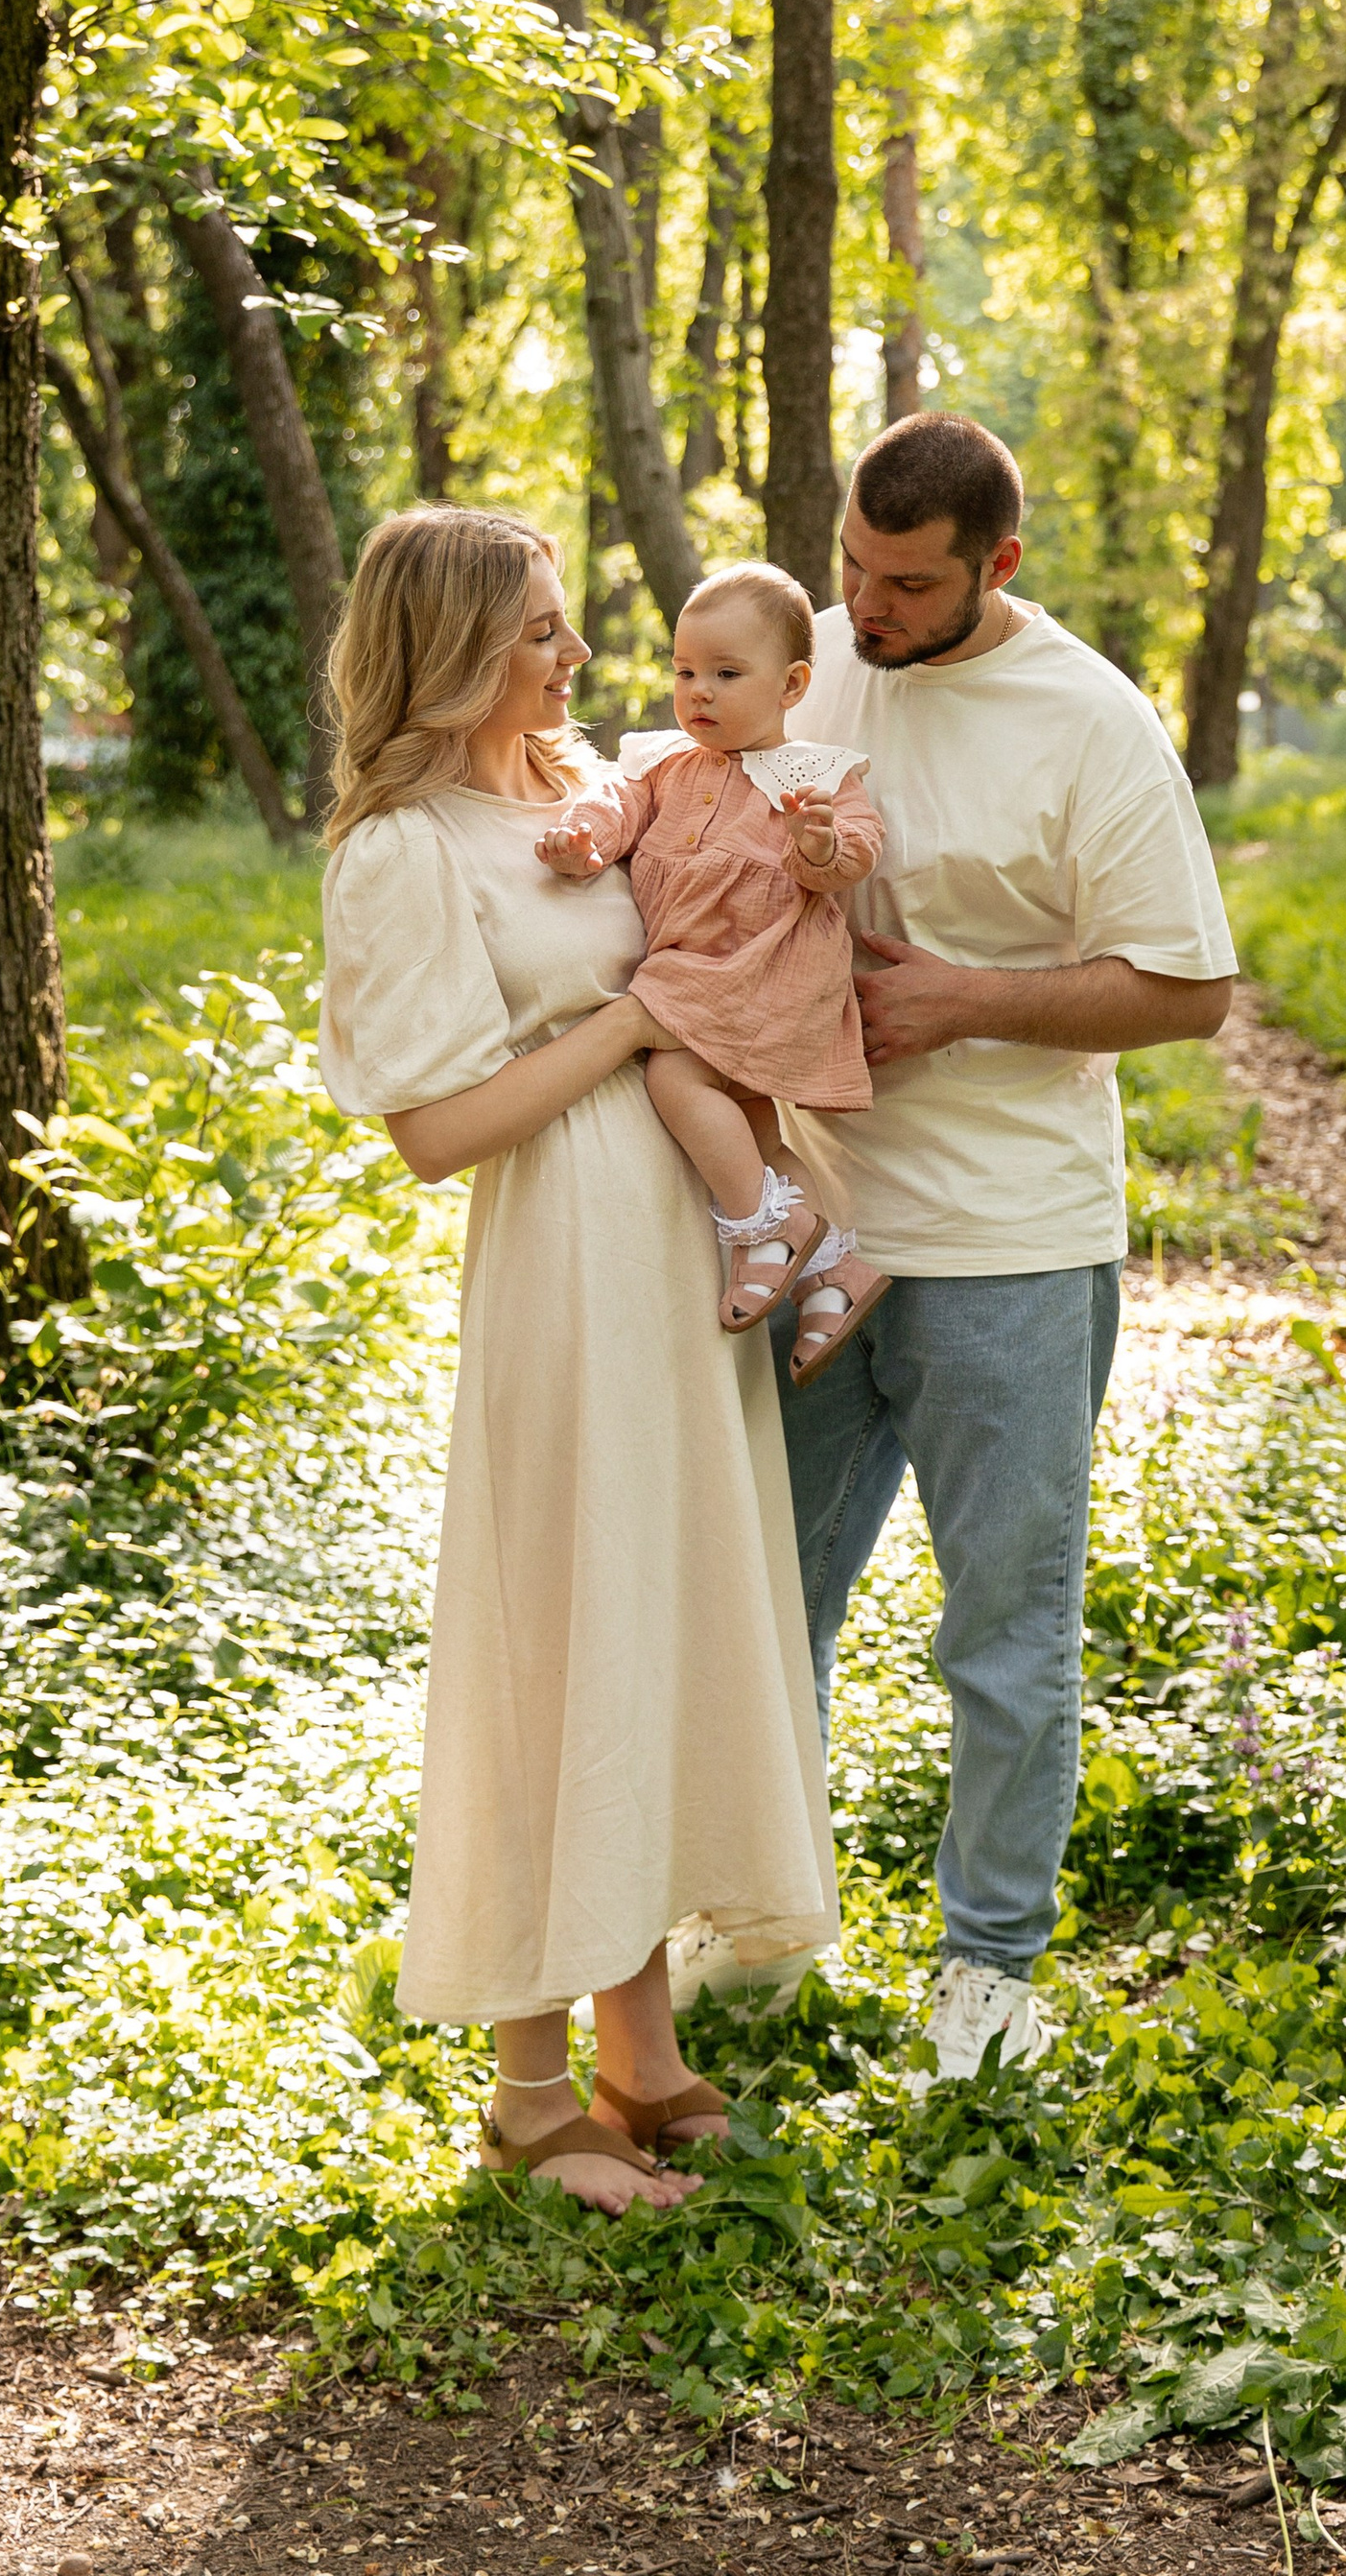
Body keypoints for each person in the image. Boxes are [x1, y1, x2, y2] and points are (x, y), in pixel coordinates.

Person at [316, 505, 838, 2212]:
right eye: (541, 628)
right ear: (458, 647)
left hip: (676, 1264)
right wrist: (631, 1022)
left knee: (652, 1620)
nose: (578, 651)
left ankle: (644, 2051)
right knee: (557, 1633)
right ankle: (531, 2095)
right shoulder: (407, 847)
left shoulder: (594, 787)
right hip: (560, 1263)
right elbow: (433, 1129)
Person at [772, 414, 1237, 2082]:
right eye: (853, 567)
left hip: (1014, 1248)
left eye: (909, 584)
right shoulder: (811, 665)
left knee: (1003, 1635)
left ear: (999, 564)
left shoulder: (1090, 720)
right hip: (813, 1231)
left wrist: (962, 1001)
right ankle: (762, 1919)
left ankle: (989, 1972)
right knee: (764, 1608)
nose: (869, 609)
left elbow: (1189, 988)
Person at [536, 560, 889, 1382]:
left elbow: (858, 848)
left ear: (791, 684)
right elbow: (617, 808)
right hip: (705, 977)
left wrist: (819, 845)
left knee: (674, 1077)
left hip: (761, 974)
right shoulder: (663, 762)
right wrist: (583, 839)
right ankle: (834, 1270)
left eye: (727, 675)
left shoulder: (815, 777)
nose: (699, 693)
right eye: (685, 672)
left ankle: (761, 1226)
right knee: (758, 1131)